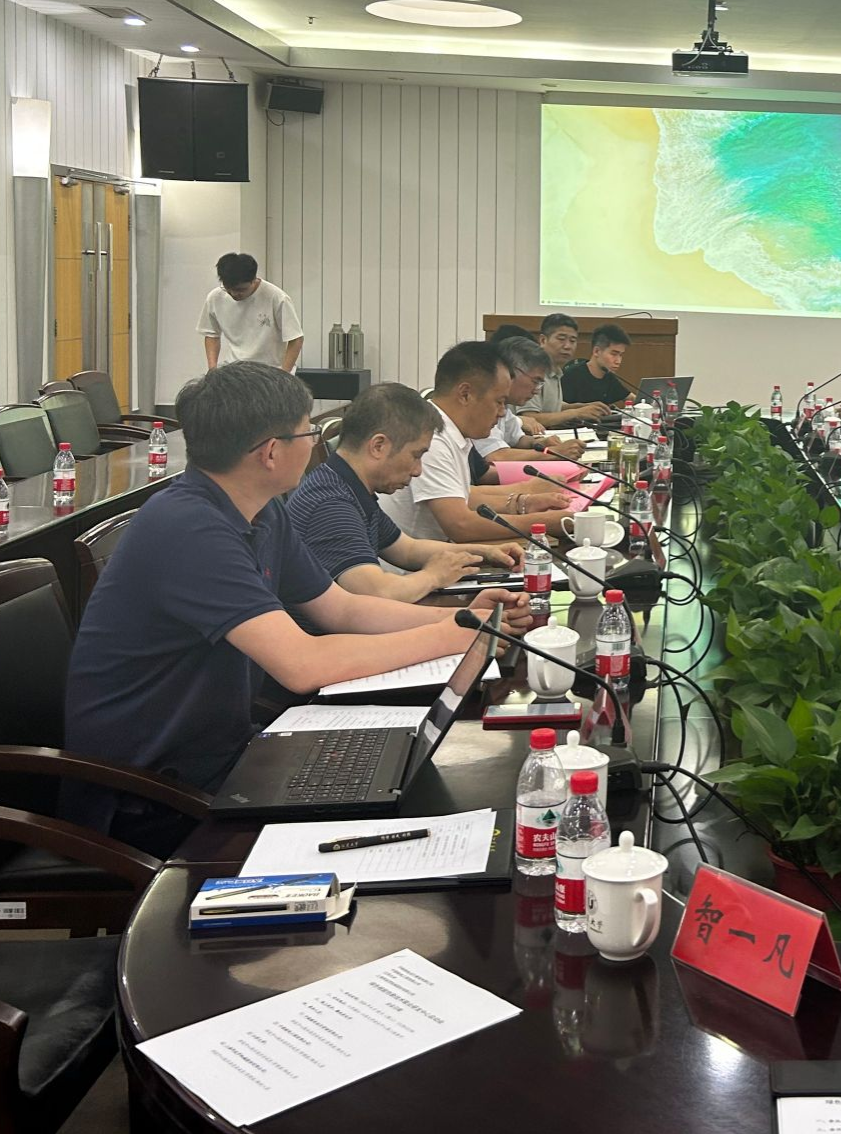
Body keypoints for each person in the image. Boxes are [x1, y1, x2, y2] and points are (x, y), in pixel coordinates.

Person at [60, 362, 530, 856]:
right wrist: (454, 636)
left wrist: (459, 619)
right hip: (150, 795)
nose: (316, 445)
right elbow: (302, 665)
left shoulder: (262, 511)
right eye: (309, 432)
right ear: (271, 452)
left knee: (415, 785)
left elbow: (341, 610)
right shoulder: (189, 527)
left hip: (224, 757)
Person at [286, 383, 523, 601]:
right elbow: (378, 593)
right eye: (416, 455)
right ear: (378, 446)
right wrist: (433, 576)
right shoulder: (331, 504)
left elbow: (407, 550)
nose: (418, 470)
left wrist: (485, 553)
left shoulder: (350, 484)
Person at [378, 341, 570, 545]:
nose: (502, 412)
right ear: (465, 394)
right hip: (415, 562)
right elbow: (461, 525)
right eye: (499, 402)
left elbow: (461, 496)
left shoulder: (453, 429)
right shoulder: (431, 437)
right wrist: (545, 522)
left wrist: (524, 502)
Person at [477, 337, 582, 462]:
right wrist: (555, 453)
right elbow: (496, 456)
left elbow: (517, 439)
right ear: (511, 372)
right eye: (535, 381)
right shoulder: (482, 404)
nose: (536, 390)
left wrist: (540, 442)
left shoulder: (503, 406)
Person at [197, 252, 303, 372]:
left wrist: (284, 374)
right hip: (235, 369)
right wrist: (212, 370)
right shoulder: (215, 297)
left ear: (253, 280)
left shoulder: (277, 298)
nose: (234, 294)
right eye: (229, 289)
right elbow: (211, 335)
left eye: (240, 289)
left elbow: (296, 339)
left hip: (271, 371)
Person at [521, 313, 611, 429]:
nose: (567, 346)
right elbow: (529, 418)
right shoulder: (531, 370)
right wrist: (575, 413)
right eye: (561, 339)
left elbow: (550, 406)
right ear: (543, 340)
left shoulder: (556, 371)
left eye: (572, 341)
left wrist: (581, 407)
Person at [560, 322, 632, 405]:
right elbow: (558, 407)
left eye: (621, 355)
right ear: (596, 351)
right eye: (614, 354)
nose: (618, 361)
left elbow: (631, 398)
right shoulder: (571, 375)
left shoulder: (609, 376)